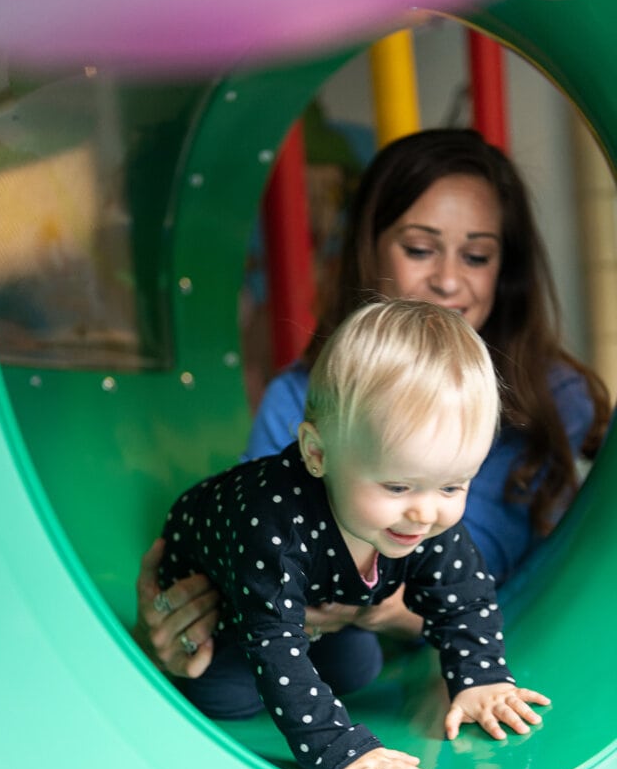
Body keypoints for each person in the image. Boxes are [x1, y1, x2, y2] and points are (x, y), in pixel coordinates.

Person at [135, 126, 611, 679]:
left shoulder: (553, 404)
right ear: (371, 250)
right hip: (358, 673)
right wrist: (179, 625)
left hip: (502, 667)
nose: (450, 280)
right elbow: (263, 572)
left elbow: (578, 583)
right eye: (419, 249)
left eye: (477, 256)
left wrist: (408, 611)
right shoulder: (302, 401)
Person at [154, 299, 550, 769]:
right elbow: (274, 642)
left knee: (358, 667)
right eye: (397, 487)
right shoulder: (275, 523)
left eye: (453, 487)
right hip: (225, 594)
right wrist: (342, 748)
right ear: (318, 454)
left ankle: (326, 650)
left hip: (321, 595)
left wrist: (479, 678)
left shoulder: (423, 515)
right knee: (229, 697)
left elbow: (464, 595)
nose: (426, 513)